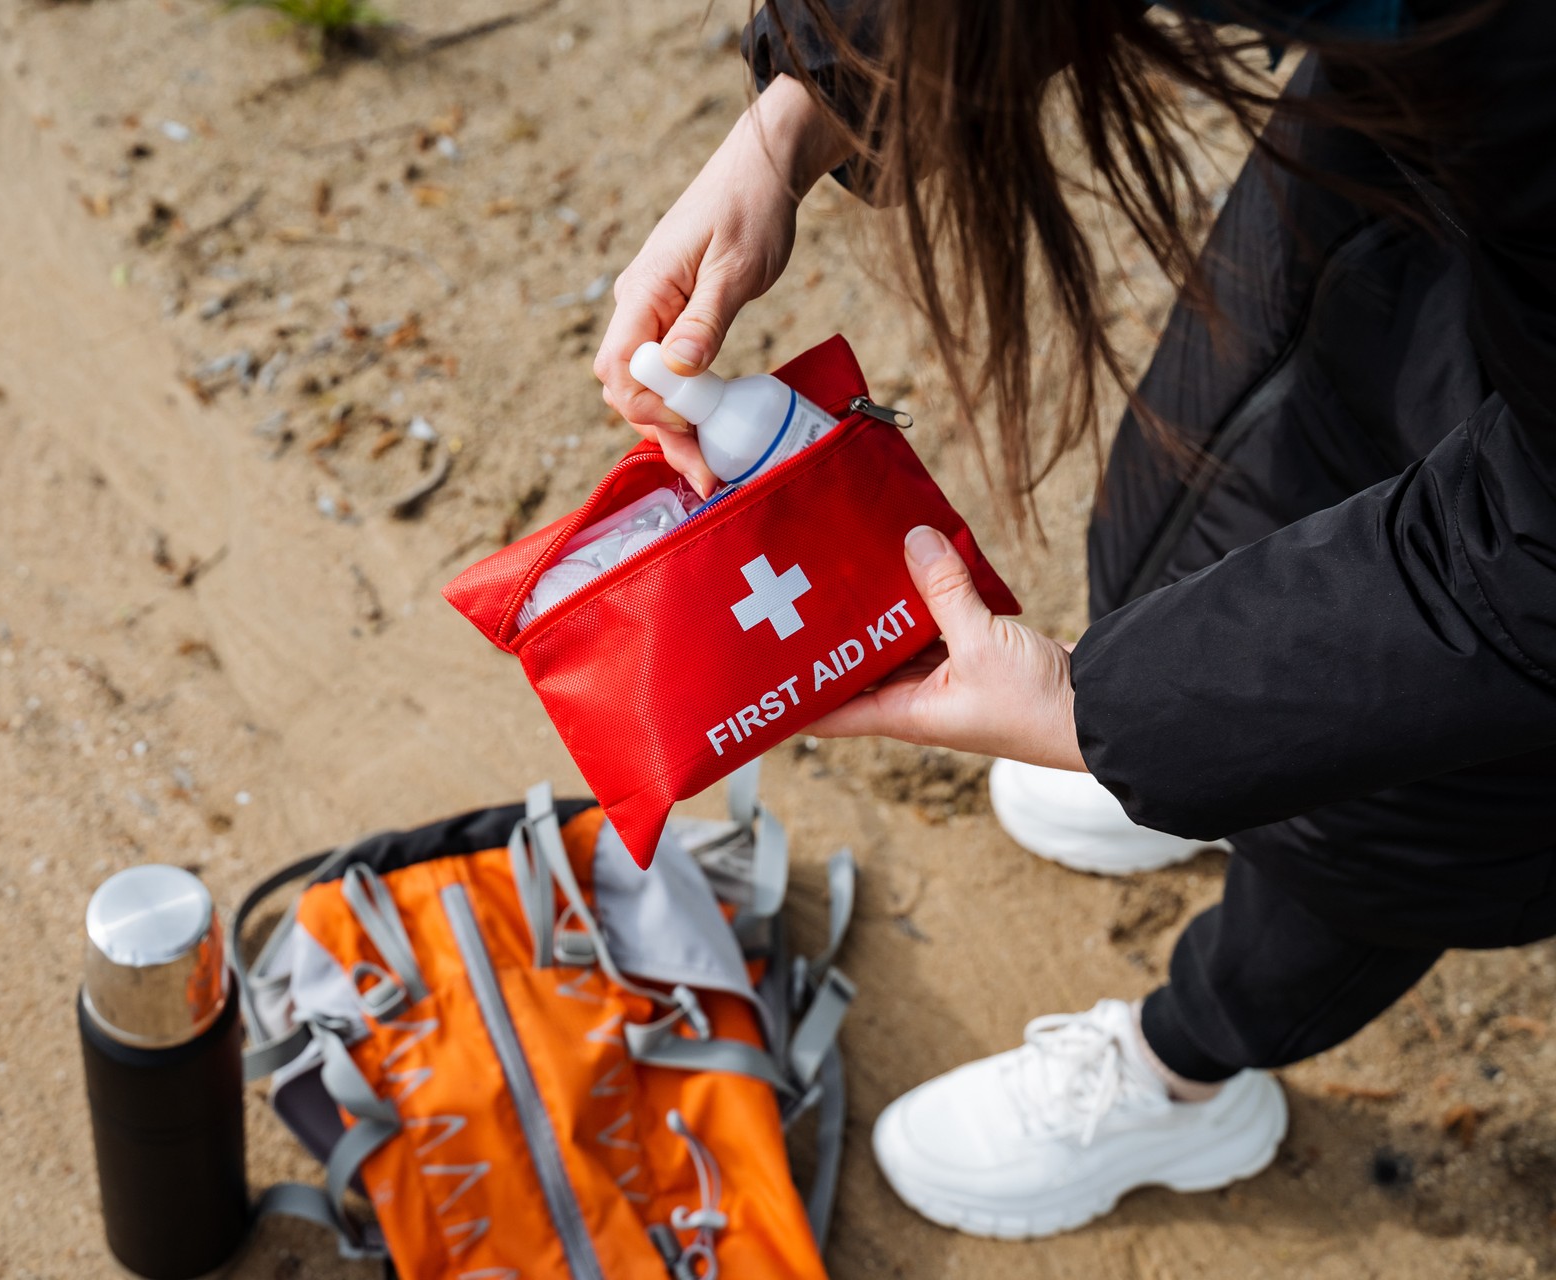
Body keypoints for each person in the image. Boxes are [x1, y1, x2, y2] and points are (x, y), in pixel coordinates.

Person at [593, 0, 1556, 1241]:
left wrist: (1095, 709)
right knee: (1263, 417)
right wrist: (806, 107)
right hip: (1407, 105)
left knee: (1400, 811)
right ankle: (1201, 770)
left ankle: (1188, 1071)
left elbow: (1521, 568)